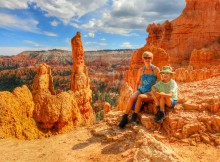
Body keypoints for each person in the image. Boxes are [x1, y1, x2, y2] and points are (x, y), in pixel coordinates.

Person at [119, 51, 161, 128]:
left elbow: (160, 81)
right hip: (142, 89)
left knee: (140, 97)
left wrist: (155, 90)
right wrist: (135, 91)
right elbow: (137, 82)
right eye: (145, 58)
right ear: (143, 59)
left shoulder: (155, 69)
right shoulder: (141, 70)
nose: (147, 59)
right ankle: (125, 117)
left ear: (152, 59)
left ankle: (134, 117)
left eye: (149, 58)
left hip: (150, 91)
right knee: (132, 98)